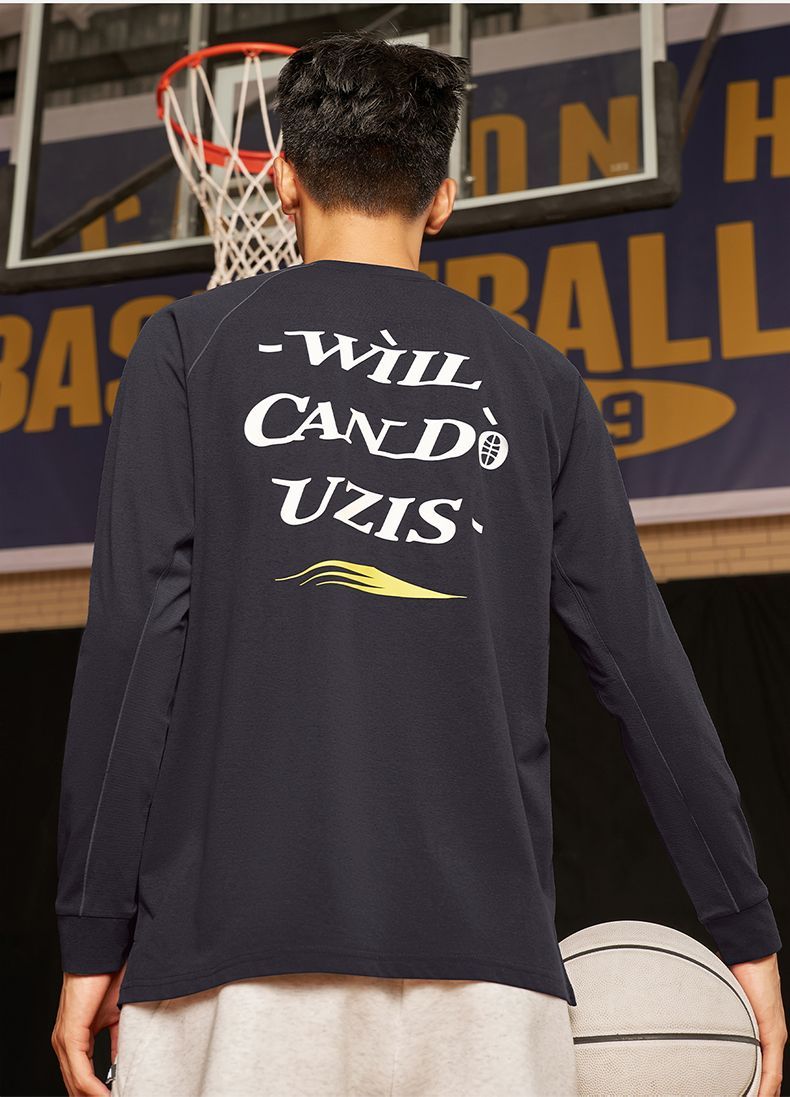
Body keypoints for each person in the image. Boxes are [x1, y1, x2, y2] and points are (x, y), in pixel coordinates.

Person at [51, 30, 786, 1097]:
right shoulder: (539, 380)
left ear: (284, 180)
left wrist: (90, 930)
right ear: (443, 198)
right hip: (485, 981)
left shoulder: (188, 346)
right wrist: (745, 931)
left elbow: (133, 647)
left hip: (232, 960)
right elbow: (642, 669)